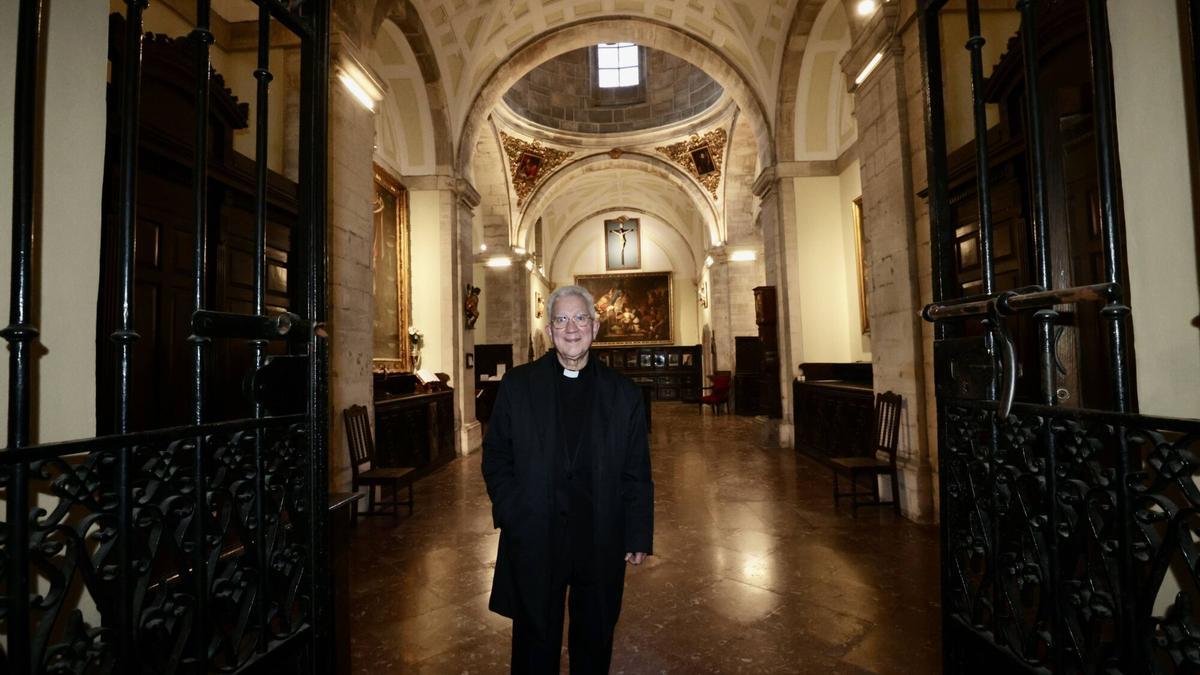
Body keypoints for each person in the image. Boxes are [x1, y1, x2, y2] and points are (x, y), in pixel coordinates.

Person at [482, 284, 653, 673]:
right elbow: (496, 456)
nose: (571, 327)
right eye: (561, 318)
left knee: (594, 640)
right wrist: (513, 512)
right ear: (549, 330)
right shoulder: (518, 385)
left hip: (600, 537)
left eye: (579, 318)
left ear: (595, 327)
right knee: (533, 643)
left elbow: (636, 471)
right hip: (536, 534)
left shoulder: (623, 394)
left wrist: (637, 533)